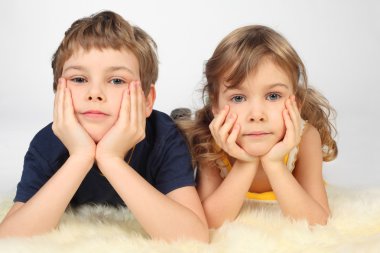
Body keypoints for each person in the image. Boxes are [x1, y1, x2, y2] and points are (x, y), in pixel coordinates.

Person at [0, 11, 208, 242]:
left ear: (147, 100)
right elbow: (10, 236)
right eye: (79, 79)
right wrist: (80, 156)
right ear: (58, 93)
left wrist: (111, 160)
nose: (95, 93)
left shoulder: (164, 136)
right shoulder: (46, 143)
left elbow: (195, 237)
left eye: (117, 80)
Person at [179, 25, 337, 228]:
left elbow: (318, 221)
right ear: (216, 106)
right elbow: (207, 222)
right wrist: (246, 163)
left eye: (273, 96)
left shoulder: (306, 138)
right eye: (238, 98)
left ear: (295, 103)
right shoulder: (210, 142)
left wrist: (274, 164)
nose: (256, 115)